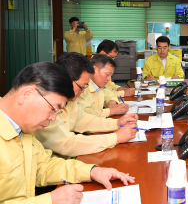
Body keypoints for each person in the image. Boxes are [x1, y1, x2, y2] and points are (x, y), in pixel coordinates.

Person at [0, 62, 134, 204]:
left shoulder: (22, 129)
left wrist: (92, 171)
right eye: (53, 109)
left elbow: (43, 166)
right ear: (27, 94)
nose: (53, 118)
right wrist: (49, 200)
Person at [34, 53, 138, 157]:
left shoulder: (70, 101)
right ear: (65, 79)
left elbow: (85, 121)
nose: (83, 91)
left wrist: (117, 123)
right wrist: (116, 138)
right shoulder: (46, 104)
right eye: (81, 87)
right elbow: (66, 143)